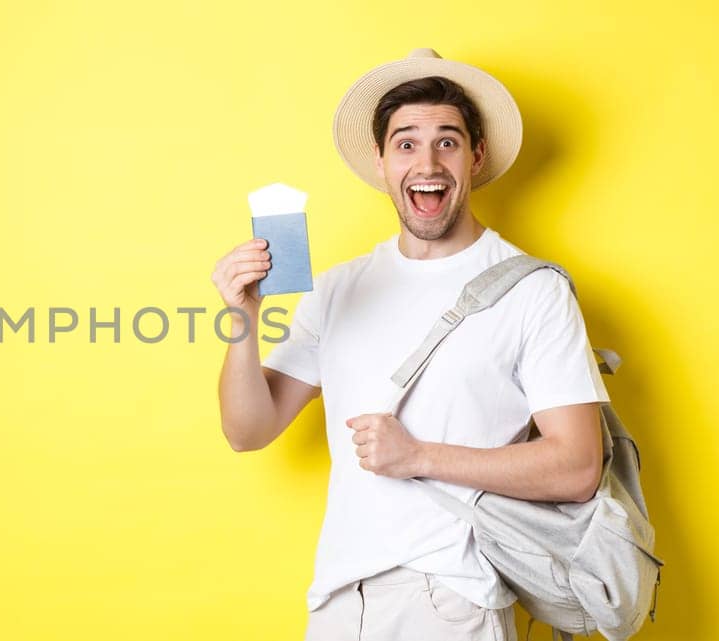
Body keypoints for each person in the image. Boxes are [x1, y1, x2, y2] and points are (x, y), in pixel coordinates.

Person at [210, 49, 611, 641]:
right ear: (380, 162)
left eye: (447, 141)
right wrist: (243, 318)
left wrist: (419, 457)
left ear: (475, 156)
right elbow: (248, 430)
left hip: (453, 599)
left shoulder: (533, 291)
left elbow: (578, 466)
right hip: (339, 603)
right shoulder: (337, 289)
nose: (427, 161)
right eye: (406, 143)